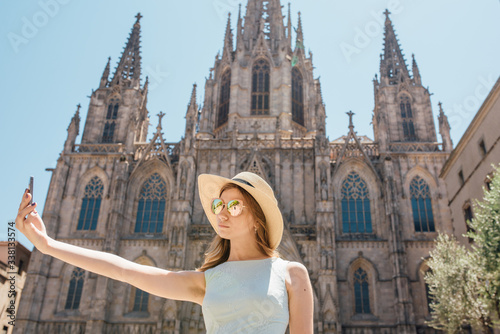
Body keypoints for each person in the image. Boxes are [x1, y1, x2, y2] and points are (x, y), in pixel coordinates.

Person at [16, 172, 314, 333]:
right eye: (218, 205)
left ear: (257, 218)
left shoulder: (291, 273)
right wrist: (47, 245)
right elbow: (123, 270)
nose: (223, 213)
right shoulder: (207, 281)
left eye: (234, 206)